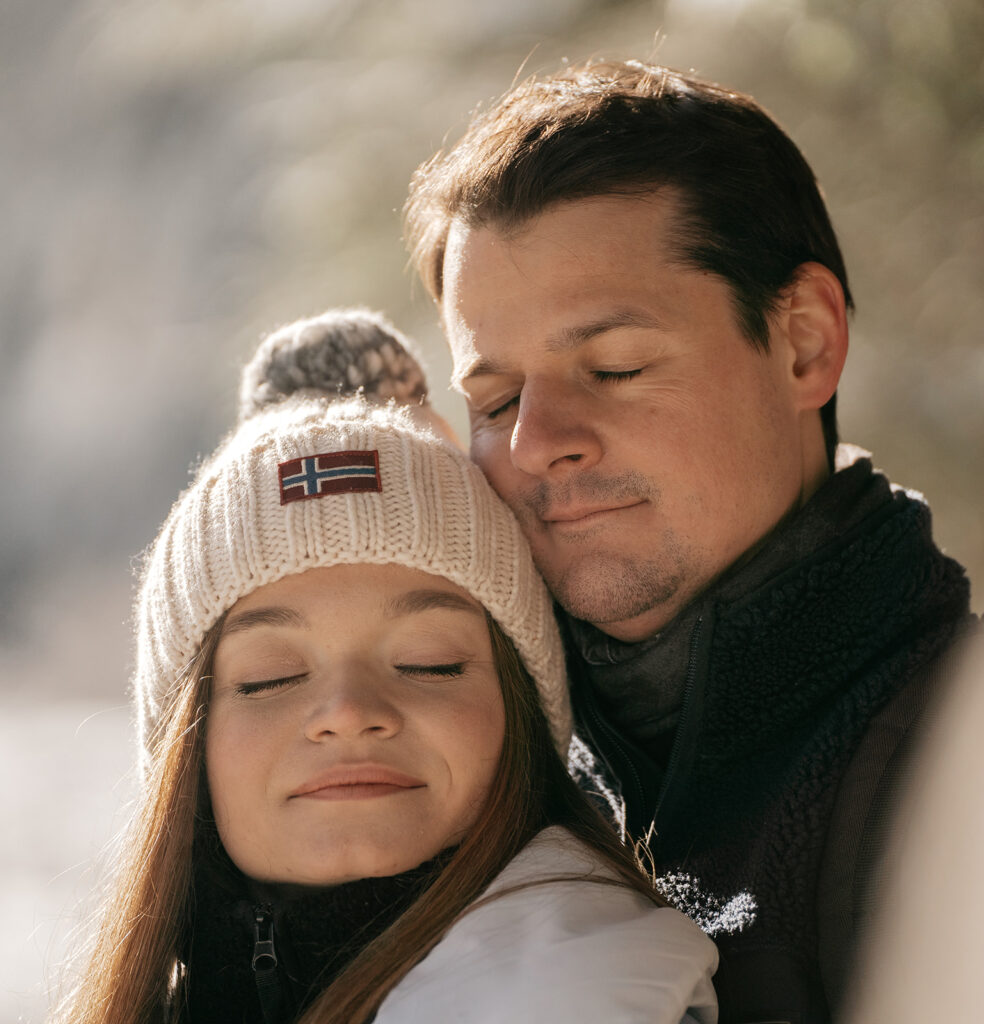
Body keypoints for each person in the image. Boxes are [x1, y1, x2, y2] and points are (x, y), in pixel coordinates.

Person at [403, 60, 977, 1022]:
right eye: (496, 401)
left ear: (804, 342)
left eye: (615, 367)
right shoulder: (467, 786)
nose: (538, 443)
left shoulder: (961, 776)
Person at [51, 309, 718, 1024]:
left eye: (429, 663)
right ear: (188, 748)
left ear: (523, 708)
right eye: (269, 677)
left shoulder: (591, 994)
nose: (347, 710)